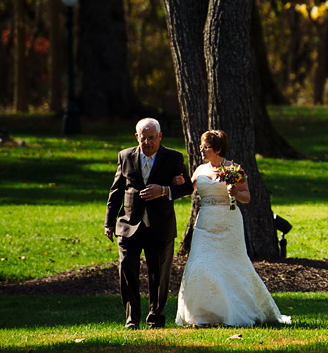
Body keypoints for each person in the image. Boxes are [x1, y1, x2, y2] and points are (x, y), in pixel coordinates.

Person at [176, 129, 291, 327]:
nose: (201, 150)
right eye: (201, 146)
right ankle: (202, 314)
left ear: (218, 149)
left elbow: (246, 197)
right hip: (205, 223)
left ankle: (231, 312)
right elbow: (188, 190)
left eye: (206, 147)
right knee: (200, 264)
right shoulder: (200, 170)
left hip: (229, 222)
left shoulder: (235, 169)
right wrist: (178, 183)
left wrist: (235, 191)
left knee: (230, 266)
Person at [104, 118, 193, 329]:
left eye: (152, 138)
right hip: (129, 224)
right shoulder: (125, 156)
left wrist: (164, 189)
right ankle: (131, 319)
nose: (148, 143)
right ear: (137, 137)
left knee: (159, 275)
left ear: (160, 136)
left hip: (160, 225)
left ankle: (155, 317)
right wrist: (109, 223)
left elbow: (188, 187)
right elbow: (116, 192)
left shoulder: (172, 158)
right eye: (144, 138)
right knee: (127, 269)